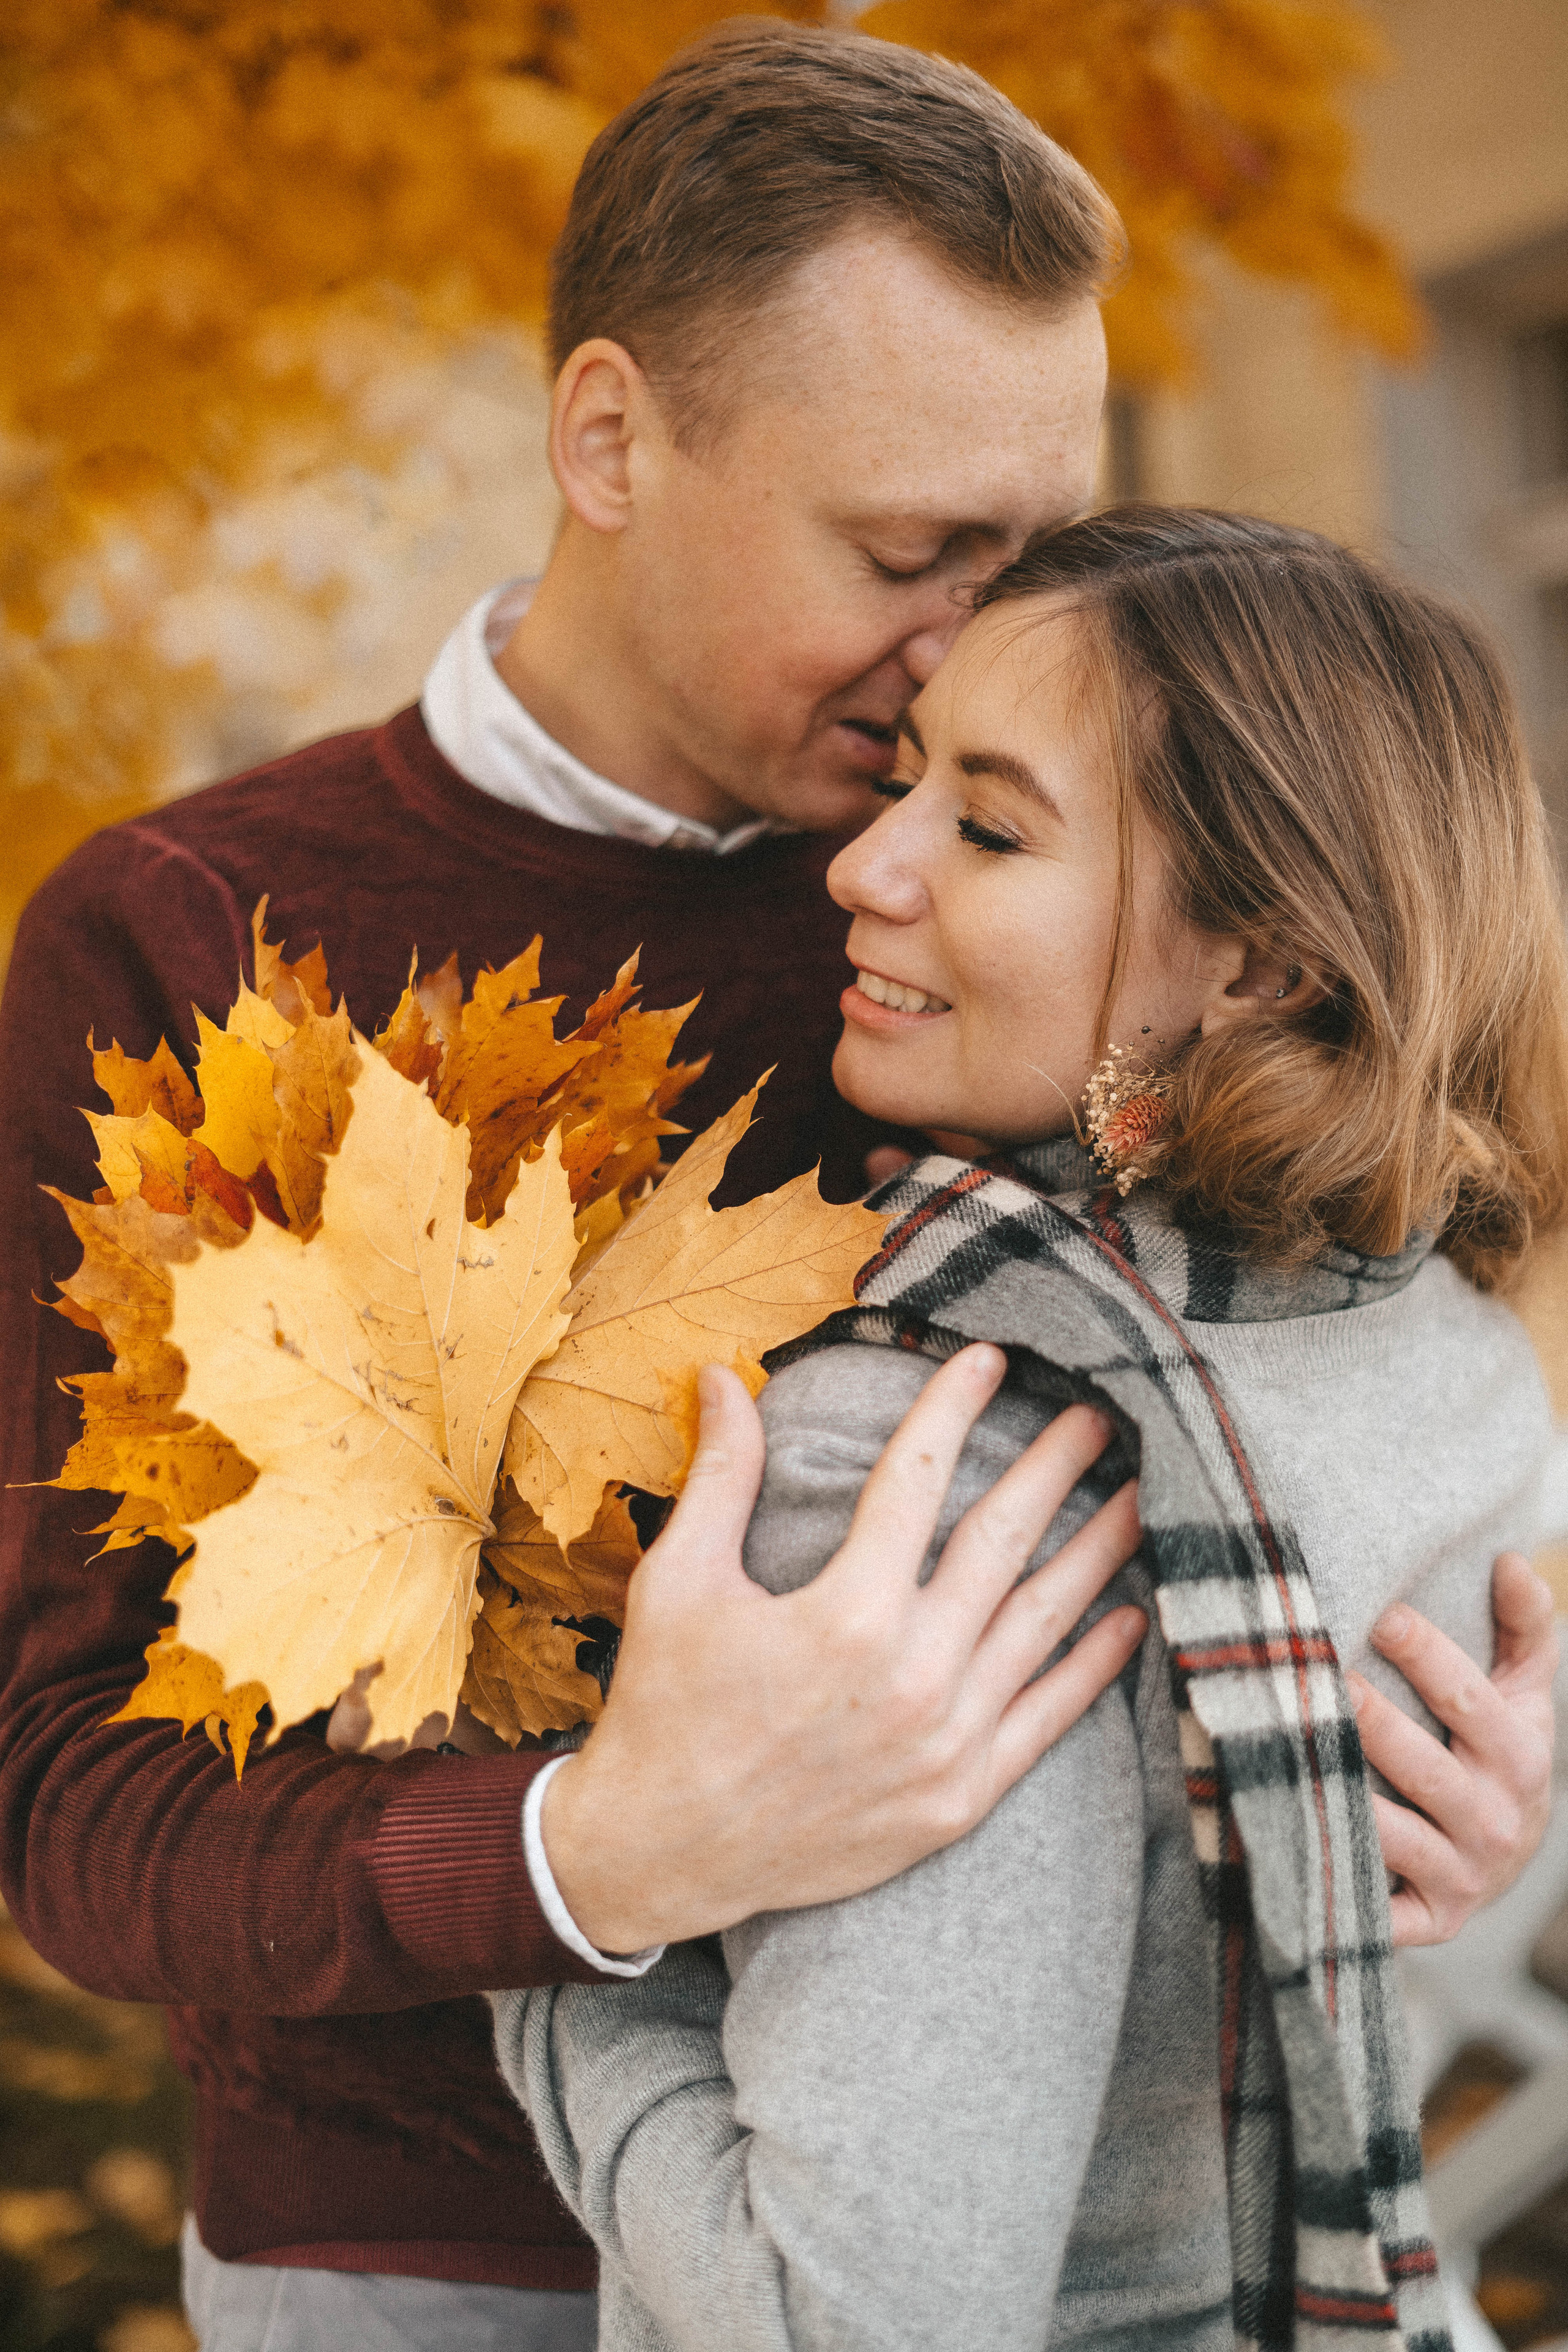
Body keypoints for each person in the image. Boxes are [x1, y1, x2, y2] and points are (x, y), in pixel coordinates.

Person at [0, 22, 1551, 2351]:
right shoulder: (195, 937)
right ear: (611, 439)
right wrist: (592, 1859)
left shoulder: (1053, 913)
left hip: (1060, 2266)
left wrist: (1433, 1776)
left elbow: (1317, 1392)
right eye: (911, 553)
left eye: (1041, 548)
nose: (982, 644)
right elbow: (71, 1805)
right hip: (428, 2261)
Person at [497, 506, 1568, 2352]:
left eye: (989, 829)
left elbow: (839, 2324)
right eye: (903, 780)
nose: (865, 865)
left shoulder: (927, 1462)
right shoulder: (1438, 1336)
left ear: (1259, 968)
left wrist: (559, 1942)